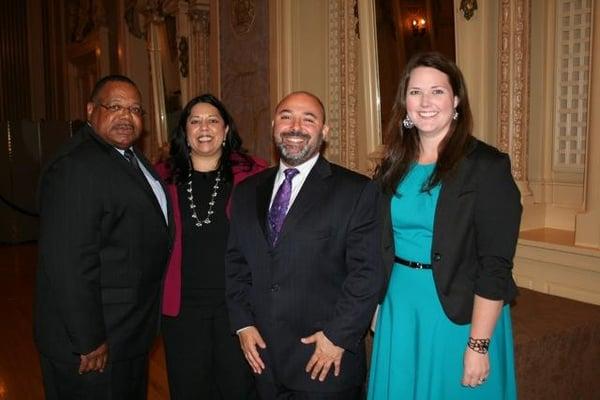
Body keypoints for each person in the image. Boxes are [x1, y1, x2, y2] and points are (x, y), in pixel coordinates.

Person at [367, 52, 521, 399]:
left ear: (456, 101)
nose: (425, 102)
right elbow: (380, 243)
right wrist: (377, 304)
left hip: (459, 314)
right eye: (415, 92)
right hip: (400, 308)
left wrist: (479, 345)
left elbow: (495, 265)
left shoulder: (486, 166)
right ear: (404, 103)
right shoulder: (392, 165)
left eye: (437, 91)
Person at [225, 91, 384, 399]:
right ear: (274, 126)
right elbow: (236, 263)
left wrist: (337, 337)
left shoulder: (356, 191)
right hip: (263, 363)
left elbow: (367, 274)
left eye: (308, 119)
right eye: (286, 116)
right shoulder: (246, 192)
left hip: (324, 362)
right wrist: (242, 324)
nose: (295, 126)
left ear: (324, 132)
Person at [34, 75, 173, 399]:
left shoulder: (127, 157)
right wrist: (90, 339)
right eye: (115, 107)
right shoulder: (77, 167)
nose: (126, 117)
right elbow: (69, 263)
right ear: (90, 110)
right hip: (93, 347)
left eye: (135, 109)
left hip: (125, 333)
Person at [155, 94, 267, 399]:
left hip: (237, 308)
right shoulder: (160, 177)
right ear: (185, 131)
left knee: (237, 387)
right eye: (195, 121)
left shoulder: (256, 174)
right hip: (181, 308)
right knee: (188, 388)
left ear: (226, 129)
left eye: (213, 120)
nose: (204, 127)